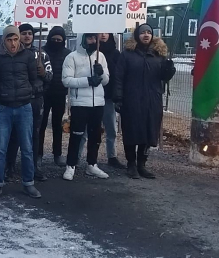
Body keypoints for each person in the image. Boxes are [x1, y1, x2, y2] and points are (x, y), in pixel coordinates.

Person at [0, 26, 41, 199]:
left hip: (24, 107)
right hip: (3, 107)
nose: (13, 43)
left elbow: (34, 79)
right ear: (4, 40)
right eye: (9, 40)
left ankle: (28, 183)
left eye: (15, 39)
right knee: (0, 149)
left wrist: (29, 92)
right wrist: (1, 95)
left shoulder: (28, 56)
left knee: (26, 148)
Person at [114, 24, 176, 178]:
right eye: (143, 33)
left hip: (152, 100)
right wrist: (118, 98)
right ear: (137, 36)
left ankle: (142, 164)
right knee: (132, 132)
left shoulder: (158, 55)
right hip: (131, 100)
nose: (146, 35)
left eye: (149, 32)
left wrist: (169, 68)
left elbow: (164, 77)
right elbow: (118, 77)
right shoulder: (127, 54)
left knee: (148, 132)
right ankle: (131, 164)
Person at [6, 24, 52, 181]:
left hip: (35, 100)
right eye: (23, 33)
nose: (27, 36)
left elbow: (50, 77)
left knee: (34, 134)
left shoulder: (42, 54)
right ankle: (9, 166)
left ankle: (33, 167)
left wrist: (43, 73)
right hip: (18, 99)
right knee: (14, 135)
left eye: (29, 34)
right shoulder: (13, 53)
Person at [61, 34, 110, 181]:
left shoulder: (101, 56)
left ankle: (92, 164)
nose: (93, 41)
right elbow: (66, 80)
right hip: (80, 102)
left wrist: (101, 73)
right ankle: (70, 165)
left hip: (98, 102)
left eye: (95, 39)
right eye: (89, 38)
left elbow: (106, 81)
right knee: (76, 135)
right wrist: (88, 81)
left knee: (95, 136)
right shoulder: (72, 57)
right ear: (82, 39)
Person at [77, 33, 126, 169]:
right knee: (86, 130)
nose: (103, 34)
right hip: (90, 95)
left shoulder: (116, 53)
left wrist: (118, 95)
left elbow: (118, 76)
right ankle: (76, 157)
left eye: (106, 32)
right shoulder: (89, 52)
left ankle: (112, 156)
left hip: (108, 96)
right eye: (100, 32)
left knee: (111, 128)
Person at [39, 26, 72, 167]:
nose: (56, 41)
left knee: (57, 125)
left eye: (59, 39)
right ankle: (38, 153)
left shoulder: (67, 54)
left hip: (60, 93)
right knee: (41, 125)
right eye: (54, 39)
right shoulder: (41, 52)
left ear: (63, 40)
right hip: (43, 93)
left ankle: (57, 154)